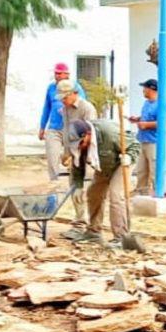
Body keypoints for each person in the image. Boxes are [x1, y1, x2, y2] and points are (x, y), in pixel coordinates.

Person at [65, 118, 139, 248]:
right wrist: (78, 185)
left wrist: (129, 156)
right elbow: (78, 163)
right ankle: (94, 231)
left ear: (87, 134)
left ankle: (121, 237)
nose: (79, 146)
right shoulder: (77, 142)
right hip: (104, 164)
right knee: (94, 193)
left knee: (116, 195)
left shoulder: (109, 133)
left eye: (81, 142)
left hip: (123, 161)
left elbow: (135, 145)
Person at [57, 79, 97, 239]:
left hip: (86, 150)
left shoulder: (87, 108)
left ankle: (87, 224)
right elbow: (66, 130)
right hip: (73, 151)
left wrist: (84, 155)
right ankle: (79, 220)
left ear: (74, 94)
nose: (63, 100)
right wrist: (66, 152)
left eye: (65, 97)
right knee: (74, 186)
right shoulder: (66, 109)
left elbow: (92, 133)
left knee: (85, 188)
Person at [38, 62, 86, 181]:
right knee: (52, 157)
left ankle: (75, 185)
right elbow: (47, 107)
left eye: (60, 73)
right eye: (56, 73)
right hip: (54, 128)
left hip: (71, 129)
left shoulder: (76, 88)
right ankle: (53, 186)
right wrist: (42, 127)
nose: (57, 75)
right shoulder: (51, 88)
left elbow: (81, 105)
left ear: (67, 74)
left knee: (73, 159)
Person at [129, 78, 159, 196]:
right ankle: (141, 191)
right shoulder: (146, 103)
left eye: (145, 88)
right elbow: (146, 117)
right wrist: (137, 119)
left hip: (153, 141)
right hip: (142, 139)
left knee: (153, 169)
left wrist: (145, 125)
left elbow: (161, 123)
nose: (143, 91)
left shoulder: (160, 105)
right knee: (141, 169)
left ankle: (156, 191)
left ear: (151, 89)